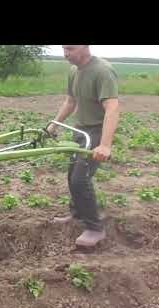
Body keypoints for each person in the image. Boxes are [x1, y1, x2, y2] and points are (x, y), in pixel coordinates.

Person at [47, 45, 120, 248]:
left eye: (70, 48)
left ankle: (95, 228)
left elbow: (112, 108)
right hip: (80, 131)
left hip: (96, 132)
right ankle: (77, 212)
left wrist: (105, 145)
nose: (65, 53)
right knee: (72, 176)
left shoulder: (102, 71)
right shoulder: (73, 71)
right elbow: (70, 102)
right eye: (63, 48)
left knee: (80, 179)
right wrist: (54, 124)